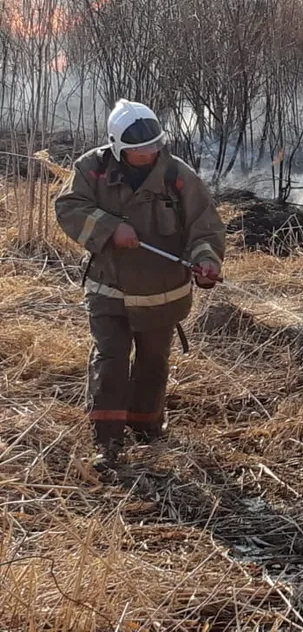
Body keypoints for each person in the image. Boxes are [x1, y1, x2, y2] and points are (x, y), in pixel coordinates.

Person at [55, 99, 226, 472]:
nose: (149, 153)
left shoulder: (177, 176)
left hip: (161, 295)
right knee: (111, 359)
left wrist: (207, 261)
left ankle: (147, 427)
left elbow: (205, 227)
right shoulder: (92, 169)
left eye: (153, 146)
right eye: (138, 151)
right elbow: (69, 209)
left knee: (153, 362)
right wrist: (109, 228)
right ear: (117, 148)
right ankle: (107, 444)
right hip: (108, 289)